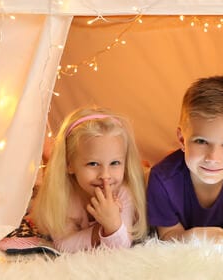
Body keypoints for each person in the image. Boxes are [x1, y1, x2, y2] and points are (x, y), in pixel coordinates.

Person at [146, 76, 223, 253]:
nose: (213, 157)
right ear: (182, 139)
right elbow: (167, 236)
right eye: (201, 141)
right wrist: (198, 237)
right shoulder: (162, 179)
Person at [30, 106, 147, 253]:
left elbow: (121, 247)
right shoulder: (63, 195)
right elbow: (63, 245)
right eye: (93, 164)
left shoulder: (124, 193)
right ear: (69, 164)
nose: (105, 175)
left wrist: (112, 224)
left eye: (114, 163)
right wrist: (101, 228)